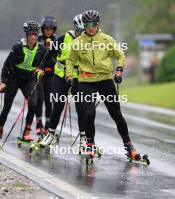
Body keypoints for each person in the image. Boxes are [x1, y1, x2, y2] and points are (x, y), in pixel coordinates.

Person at [65, 10, 141, 159]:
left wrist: (119, 71)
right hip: (86, 82)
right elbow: (70, 60)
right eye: (87, 24)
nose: (91, 27)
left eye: (93, 24)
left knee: (116, 114)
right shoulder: (77, 42)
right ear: (84, 25)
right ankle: (90, 145)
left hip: (105, 80)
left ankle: (129, 145)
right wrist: (69, 75)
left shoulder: (107, 40)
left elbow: (120, 55)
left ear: (98, 24)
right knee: (89, 113)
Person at [39, 14, 86, 147]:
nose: (80, 34)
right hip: (60, 77)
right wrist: (44, 68)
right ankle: (50, 135)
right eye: (78, 31)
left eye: (83, 32)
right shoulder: (63, 38)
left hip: (79, 79)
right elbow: (48, 56)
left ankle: (83, 139)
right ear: (74, 28)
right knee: (58, 106)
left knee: (81, 108)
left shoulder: (89, 41)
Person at [0, 21, 46, 141]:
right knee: (7, 106)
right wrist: (3, 81)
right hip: (14, 78)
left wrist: (41, 69)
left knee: (33, 104)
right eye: (31, 34)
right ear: (26, 35)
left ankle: (26, 132)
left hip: (29, 79)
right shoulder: (18, 47)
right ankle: (0, 127)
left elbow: (47, 61)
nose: (33, 37)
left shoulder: (41, 48)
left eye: (35, 34)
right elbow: (6, 65)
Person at [36, 16, 58, 135]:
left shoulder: (56, 40)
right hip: (40, 74)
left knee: (49, 101)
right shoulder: (38, 39)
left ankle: (48, 126)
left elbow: (59, 56)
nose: (48, 31)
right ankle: (39, 123)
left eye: (50, 29)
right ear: (43, 29)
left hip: (51, 74)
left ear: (54, 29)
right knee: (39, 99)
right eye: (46, 28)